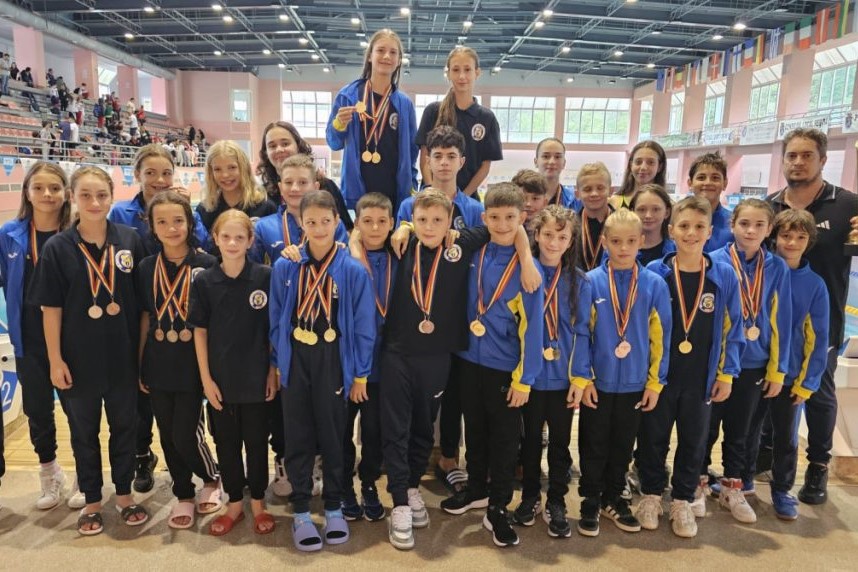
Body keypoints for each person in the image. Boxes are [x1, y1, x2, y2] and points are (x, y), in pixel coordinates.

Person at [383, 188, 539, 550]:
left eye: (437, 220)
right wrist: (402, 228)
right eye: (421, 220)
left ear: (451, 222)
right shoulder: (402, 245)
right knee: (400, 427)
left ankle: (427, 490)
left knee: (426, 427)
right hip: (404, 353)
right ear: (411, 219)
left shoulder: (461, 246)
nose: (429, 226)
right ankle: (402, 501)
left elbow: (510, 224)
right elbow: (363, 233)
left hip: (445, 356)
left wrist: (527, 256)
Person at [31, 166, 149, 536]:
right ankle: (93, 501)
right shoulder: (57, 248)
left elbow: (144, 309)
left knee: (125, 429)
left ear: (112, 197)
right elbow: (51, 310)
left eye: (101, 195)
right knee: (83, 433)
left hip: (123, 358)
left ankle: (125, 496)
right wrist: (55, 360)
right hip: (78, 360)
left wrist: (142, 358)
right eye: (85, 195)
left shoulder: (130, 240)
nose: (94, 202)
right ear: (72, 198)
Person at [269, 190, 376, 551]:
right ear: (300, 223)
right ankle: (301, 510)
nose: (318, 228)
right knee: (297, 435)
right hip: (296, 357)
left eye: (325, 221)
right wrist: (279, 363)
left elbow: (364, 326)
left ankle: (333, 506)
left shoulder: (353, 270)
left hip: (333, 358)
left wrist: (360, 374)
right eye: (310, 221)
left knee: (333, 436)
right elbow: (275, 319)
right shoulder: (286, 266)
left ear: (337, 222)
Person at [440, 183, 544, 549]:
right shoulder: (474, 252)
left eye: (510, 218)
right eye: (495, 217)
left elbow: (533, 329)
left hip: (505, 367)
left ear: (522, 218)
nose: (502, 224)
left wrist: (525, 379)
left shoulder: (529, 270)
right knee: (475, 429)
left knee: (504, 439)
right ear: (484, 218)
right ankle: (476, 488)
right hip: (469, 360)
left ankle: (499, 504)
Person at [636, 196, 744, 538]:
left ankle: (683, 499)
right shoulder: (655, 273)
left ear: (710, 232)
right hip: (661, 376)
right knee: (653, 437)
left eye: (699, 227)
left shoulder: (723, 275)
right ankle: (651, 494)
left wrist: (726, 373)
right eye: (684, 226)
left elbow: (733, 327)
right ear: (671, 230)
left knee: (694, 440)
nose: (691, 233)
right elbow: (642, 326)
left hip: (701, 376)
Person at [767, 128, 858, 505]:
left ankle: (818, 465)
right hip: (774, 326)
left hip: (824, 322)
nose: (798, 162)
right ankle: (765, 457)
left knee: (818, 395)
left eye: (807, 155)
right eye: (792, 155)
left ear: (823, 160)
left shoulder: (848, 204)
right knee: (770, 391)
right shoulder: (771, 207)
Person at [574, 209, 671, 538]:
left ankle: (613, 497)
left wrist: (655, 383)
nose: (624, 248)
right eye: (616, 241)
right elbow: (581, 333)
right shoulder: (590, 281)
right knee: (593, 442)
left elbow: (661, 337)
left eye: (631, 241)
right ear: (604, 242)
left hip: (634, 382)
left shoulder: (654, 284)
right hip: (598, 383)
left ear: (642, 241)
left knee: (622, 445)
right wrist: (584, 378)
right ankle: (590, 499)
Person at [0, 162, 87, 511]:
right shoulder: (10, 234)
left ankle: (86, 474)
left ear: (66, 193)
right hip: (29, 339)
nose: (47, 194)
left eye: (54, 187)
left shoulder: (78, 234)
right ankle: (50, 472)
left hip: (73, 339)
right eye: (38, 188)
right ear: (27, 192)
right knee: (38, 411)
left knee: (78, 411)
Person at [188, 210, 278, 537]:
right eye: (225, 236)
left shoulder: (265, 277)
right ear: (215, 238)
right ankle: (235, 504)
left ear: (251, 240)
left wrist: (272, 371)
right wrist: (205, 379)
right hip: (221, 380)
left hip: (256, 377)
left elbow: (274, 329)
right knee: (226, 444)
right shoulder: (204, 281)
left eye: (240, 237)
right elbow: (199, 332)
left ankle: (259, 502)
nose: (232, 243)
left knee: (256, 443)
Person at [137, 191, 221, 530]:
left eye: (177, 221)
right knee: (167, 433)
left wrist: (211, 370)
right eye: (162, 222)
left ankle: (211, 477)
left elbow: (214, 323)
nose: (171, 228)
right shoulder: (146, 268)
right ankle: (183, 492)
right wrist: (141, 362)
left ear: (189, 223)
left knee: (186, 433)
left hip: (192, 361)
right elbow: (145, 317)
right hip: (158, 360)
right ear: (152, 227)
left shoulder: (207, 265)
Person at [707, 199, 791, 524]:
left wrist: (777, 370)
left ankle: (733, 486)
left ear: (769, 230)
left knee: (741, 431)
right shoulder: (714, 261)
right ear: (732, 225)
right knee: (707, 428)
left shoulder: (777, 267)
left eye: (759, 225)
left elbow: (782, 319)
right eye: (744, 224)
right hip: (717, 363)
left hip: (755, 362)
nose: (751, 231)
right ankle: (698, 482)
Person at [513, 205, 591, 539]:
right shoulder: (522, 272)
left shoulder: (580, 281)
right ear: (536, 235)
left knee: (560, 443)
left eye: (562, 236)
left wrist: (580, 378)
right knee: (530, 441)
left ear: (571, 240)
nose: (554, 242)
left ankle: (556, 500)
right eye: (547, 234)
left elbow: (584, 332)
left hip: (562, 379)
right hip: (529, 379)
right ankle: (530, 496)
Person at [746, 209, 829, 521]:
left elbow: (818, 338)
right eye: (786, 235)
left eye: (800, 237)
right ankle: (742, 480)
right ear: (774, 236)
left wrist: (808, 382)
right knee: (748, 430)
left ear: (809, 241)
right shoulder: (760, 273)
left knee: (786, 437)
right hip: (756, 368)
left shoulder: (815, 285)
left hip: (791, 375)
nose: (792, 242)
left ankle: (782, 489)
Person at [340, 192, 396, 522]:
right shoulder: (343, 261)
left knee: (374, 431)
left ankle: (369, 483)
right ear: (357, 224)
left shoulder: (400, 256)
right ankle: (344, 485)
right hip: (346, 364)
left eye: (381, 221)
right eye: (367, 221)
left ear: (391, 224)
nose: (375, 228)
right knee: (342, 429)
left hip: (382, 366)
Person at [327, 28, 418, 210]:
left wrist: (411, 186)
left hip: (395, 196)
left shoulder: (404, 104)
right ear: (370, 56)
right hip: (357, 194)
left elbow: (412, 152)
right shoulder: (348, 96)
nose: (387, 56)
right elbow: (334, 143)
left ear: (399, 61)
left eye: (393, 52)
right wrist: (339, 124)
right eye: (381, 50)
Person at [415, 46, 502, 199]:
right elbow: (424, 158)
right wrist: (433, 193)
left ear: (477, 73)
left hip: (466, 198)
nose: (462, 76)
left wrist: (461, 198)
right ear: (448, 73)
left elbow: (485, 166)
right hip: (431, 198)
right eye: (456, 70)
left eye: (467, 70)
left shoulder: (486, 118)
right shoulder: (433, 112)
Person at [110, 144, 209, 257]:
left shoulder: (189, 214)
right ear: (137, 175)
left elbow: (205, 247)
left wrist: (187, 212)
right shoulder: (120, 213)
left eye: (166, 173)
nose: (160, 180)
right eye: (150, 173)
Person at [252, 154, 349, 264]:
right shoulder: (262, 227)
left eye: (303, 182)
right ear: (281, 188)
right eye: (288, 182)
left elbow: (343, 266)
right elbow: (255, 270)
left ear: (316, 187)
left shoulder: (333, 224)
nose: (295, 188)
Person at [256, 121, 353, 229]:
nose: (279, 149)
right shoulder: (262, 196)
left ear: (298, 145)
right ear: (266, 152)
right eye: (272, 146)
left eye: (285, 144)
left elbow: (348, 229)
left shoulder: (327, 186)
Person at [397, 126, 484, 234]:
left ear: (461, 162)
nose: (444, 162)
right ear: (428, 162)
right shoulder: (408, 206)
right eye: (438, 156)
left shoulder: (476, 210)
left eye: (451, 157)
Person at [196, 140, 277, 233]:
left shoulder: (265, 207)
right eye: (217, 169)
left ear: (244, 168)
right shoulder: (204, 210)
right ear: (211, 173)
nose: (225, 175)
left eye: (232, 167)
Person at [687, 152, 733, 251]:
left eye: (715, 178)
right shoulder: (676, 218)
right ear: (690, 183)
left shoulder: (734, 222)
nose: (708, 182)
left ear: (725, 183)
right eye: (701, 177)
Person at [575, 162, 614, 271]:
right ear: (577, 194)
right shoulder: (570, 226)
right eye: (587, 189)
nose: (594, 194)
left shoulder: (624, 224)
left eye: (600, 188)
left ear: (611, 191)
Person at [629, 184, 675, 266]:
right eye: (641, 209)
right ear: (632, 212)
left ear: (667, 212)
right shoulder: (618, 249)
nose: (648, 216)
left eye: (656, 209)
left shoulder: (677, 251)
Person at [612, 140, 667, 210]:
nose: (643, 167)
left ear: (659, 167)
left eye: (651, 162)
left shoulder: (669, 205)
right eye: (638, 162)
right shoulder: (614, 202)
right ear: (631, 165)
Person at [533, 138, 581, 210]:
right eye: (546, 156)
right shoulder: (522, 197)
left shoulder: (574, 200)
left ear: (564, 163)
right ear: (536, 162)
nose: (552, 162)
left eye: (557, 157)